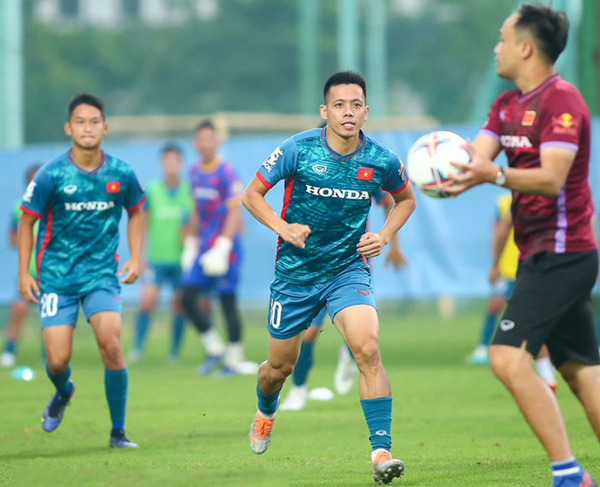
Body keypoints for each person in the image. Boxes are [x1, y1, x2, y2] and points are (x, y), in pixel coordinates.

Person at [446, 5, 599, 485]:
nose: (496, 47)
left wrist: (491, 174)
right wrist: (441, 170)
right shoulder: (505, 105)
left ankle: (568, 473)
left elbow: (552, 178)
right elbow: (476, 158)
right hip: (540, 254)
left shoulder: (563, 101)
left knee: (506, 358)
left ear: (526, 48)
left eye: (503, 38)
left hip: (564, 254)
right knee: (581, 371)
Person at [242, 71, 416, 484]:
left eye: (355, 105)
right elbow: (251, 195)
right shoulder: (298, 149)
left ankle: (381, 451)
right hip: (295, 275)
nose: (348, 112)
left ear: (367, 112)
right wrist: (283, 228)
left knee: (368, 349)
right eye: (339, 105)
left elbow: (406, 199)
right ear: (325, 111)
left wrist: (383, 236)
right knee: (278, 368)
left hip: (347, 270)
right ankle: (266, 411)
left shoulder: (381, 160)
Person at [18, 93, 145, 448]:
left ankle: (118, 432)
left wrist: (136, 257)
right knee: (58, 361)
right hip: (56, 278)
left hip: (101, 274)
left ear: (105, 128)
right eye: (80, 122)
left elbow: (137, 210)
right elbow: (27, 222)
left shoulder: (121, 172)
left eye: (93, 122)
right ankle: (63, 390)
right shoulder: (51, 174)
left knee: (112, 344)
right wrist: (24, 273)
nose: (87, 128)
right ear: (68, 128)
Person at [281, 188, 408, 411]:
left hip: (351, 266)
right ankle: (298, 390)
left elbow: (392, 201)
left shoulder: (364, 173)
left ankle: (349, 355)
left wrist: (391, 243)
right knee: (308, 333)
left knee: (359, 333)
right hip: (314, 266)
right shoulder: (310, 172)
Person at [468, 194, 557, 390]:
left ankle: (547, 371)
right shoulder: (504, 201)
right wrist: (495, 264)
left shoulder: (546, 196)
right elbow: (498, 231)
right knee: (496, 306)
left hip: (532, 265)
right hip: (508, 267)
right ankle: (483, 347)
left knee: (535, 316)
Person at [180, 120, 247, 376]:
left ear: (217, 142)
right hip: (203, 247)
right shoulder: (195, 172)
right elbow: (196, 210)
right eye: (201, 139)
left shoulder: (227, 172)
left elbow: (234, 210)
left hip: (226, 248)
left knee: (227, 302)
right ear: (195, 143)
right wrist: (190, 242)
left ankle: (234, 360)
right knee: (187, 298)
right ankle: (214, 349)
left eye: (210, 139)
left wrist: (224, 244)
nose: (206, 144)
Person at [130, 144, 192, 364]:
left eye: (175, 161)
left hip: (181, 260)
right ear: (162, 164)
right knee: (147, 301)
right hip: (156, 259)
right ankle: (137, 349)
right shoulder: (152, 190)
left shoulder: (190, 191)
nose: (171, 165)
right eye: (167, 161)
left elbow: (194, 225)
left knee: (179, 304)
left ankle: (174, 353)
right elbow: (142, 224)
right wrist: (138, 256)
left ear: (181, 163)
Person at [0, 165, 42, 368]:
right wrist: (25, 239)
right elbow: (11, 239)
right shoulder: (19, 207)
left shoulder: (55, 207)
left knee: (51, 316)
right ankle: (9, 351)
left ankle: (49, 356)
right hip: (28, 272)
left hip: (51, 272)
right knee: (18, 311)